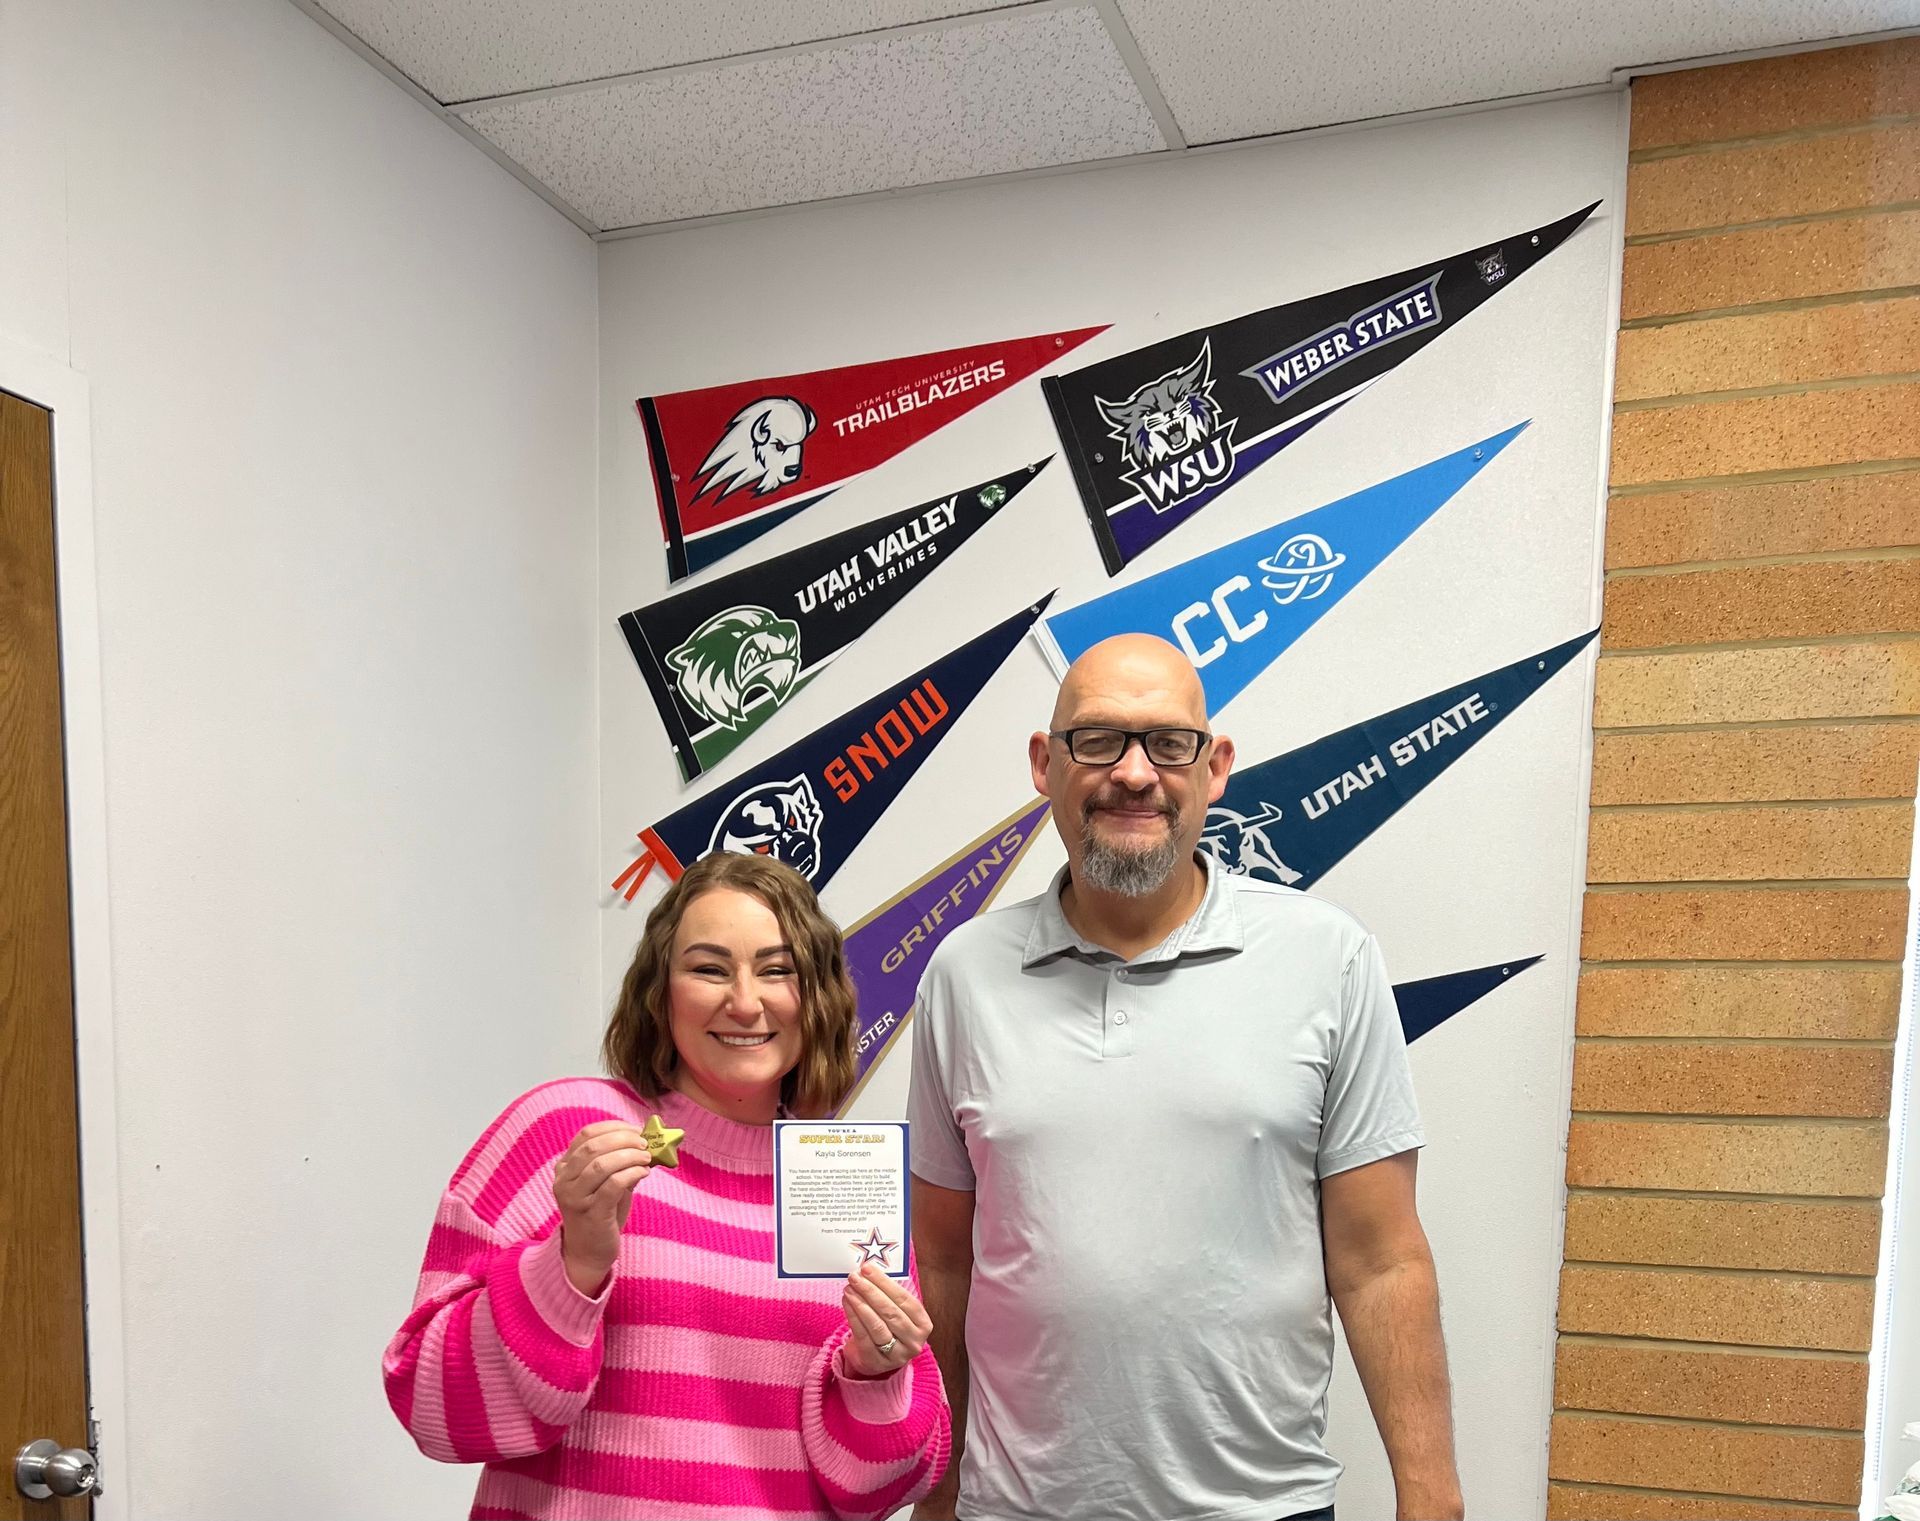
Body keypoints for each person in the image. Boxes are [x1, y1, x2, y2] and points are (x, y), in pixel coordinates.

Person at [907, 633, 1461, 1521]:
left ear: (1216, 766)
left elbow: (1381, 1259)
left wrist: (1431, 1497)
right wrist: (933, 1491)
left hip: (1262, 1507)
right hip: (1015, 1508)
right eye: (1098, 741)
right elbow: (941, 1260)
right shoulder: (962, 975)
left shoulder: (1329, 958)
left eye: (1168, 743)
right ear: (1045, 764)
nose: (1134, 773)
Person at [385, 851, 950, 1520]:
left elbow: (879, 1492)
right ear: (661, 989)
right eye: (708, 968)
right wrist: (571, 1264)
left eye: (777, 970)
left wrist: (875, 1373)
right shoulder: (563, 1130)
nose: (744, 1001)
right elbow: (431, 1406)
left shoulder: (842, 1182)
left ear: (818, 993)